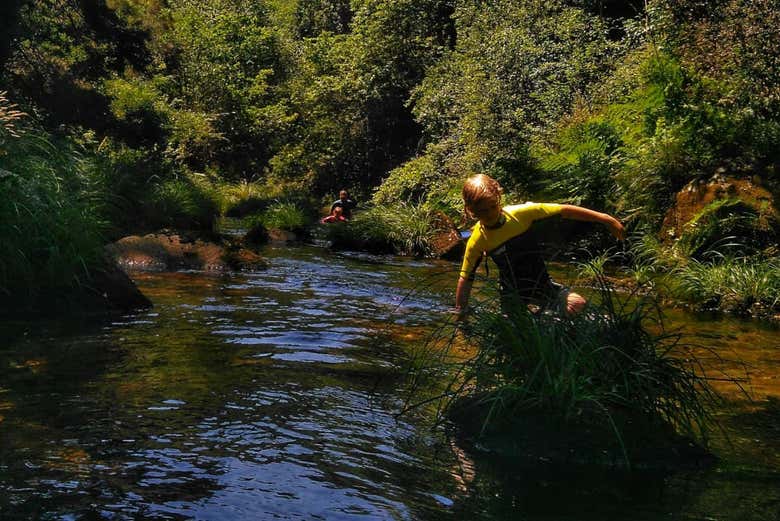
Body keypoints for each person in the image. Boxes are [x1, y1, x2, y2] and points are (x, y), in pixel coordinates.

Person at [455, 174, 625, 319]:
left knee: (577, 305)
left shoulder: (521, 214)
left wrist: (605, 219)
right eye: (483, 211)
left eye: (493, 206)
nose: (490, 213)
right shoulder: (477, 241)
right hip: (512, 296)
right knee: (518, 333)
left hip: (542, 285)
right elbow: (466, 278)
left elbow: (564, 210)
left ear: (498, 198)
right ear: (471, 210)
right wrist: (461, 314)